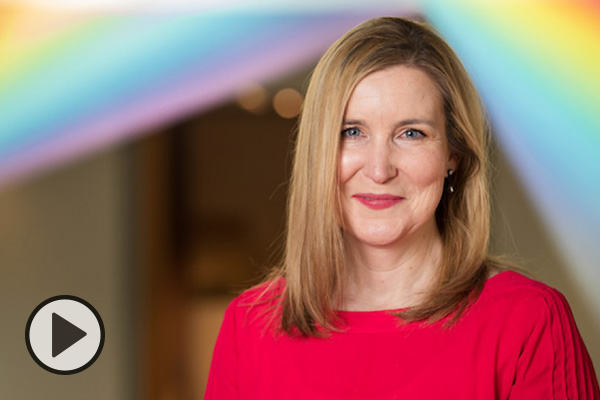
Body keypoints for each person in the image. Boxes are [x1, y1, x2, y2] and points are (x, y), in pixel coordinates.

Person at [204, 17, 599, 399]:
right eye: (352, 132)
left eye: (411, 133)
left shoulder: (528, 321)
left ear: (453, 155)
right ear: (317, 152)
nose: (379, 169)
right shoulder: (250, 326)